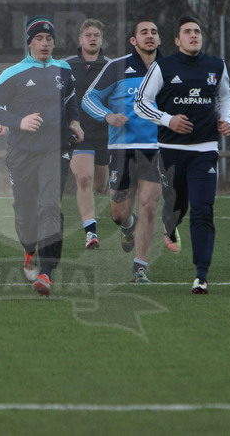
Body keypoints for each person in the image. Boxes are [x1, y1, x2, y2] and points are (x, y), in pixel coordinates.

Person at [0, 15, 83, 297]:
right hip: (22, 152)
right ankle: (29, 250)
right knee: (26, 217)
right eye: (39, 39)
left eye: (49, 39)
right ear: (29, 43)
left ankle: (46, 272)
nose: (44, 43)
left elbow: (70, 98)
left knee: (49, 206)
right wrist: (19, 121)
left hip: (56, 149)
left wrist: (74, 121)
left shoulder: (63, 70)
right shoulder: (13, 73)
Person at [135, 15, 230, 294]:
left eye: (197, 31)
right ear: (177, 40)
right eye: (187, 32)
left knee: (203, 210)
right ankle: (171, 226)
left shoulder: (216, 66)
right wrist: (168, 120)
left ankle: (201, 275)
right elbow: (141, 103)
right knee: (176, 208)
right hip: (171, 150)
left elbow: (226, 96)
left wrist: (226, 119)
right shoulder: (163, 66)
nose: (194, 35)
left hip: (205, 149)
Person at [82, 20, 163, 283]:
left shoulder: (170, 69)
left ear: (160, 39)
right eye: (144, 32)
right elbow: (88, 98)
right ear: (133, 40)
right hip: (121, 150)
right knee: (119, 214)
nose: (149, 36)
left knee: (149, 204)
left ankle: (139, 267)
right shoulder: (117, 67)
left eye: (154, 32)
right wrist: (108, 116)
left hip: (155, 150)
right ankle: (128, 226)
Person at [64, 19, 110, 250]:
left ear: (102, 40)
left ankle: (126, 220)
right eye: (88, 35)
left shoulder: (112, 66)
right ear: (80, 39)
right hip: (79, 135)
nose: (93, 38)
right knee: (83, 179)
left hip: (106, 135)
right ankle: (90, 233)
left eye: (97, 35)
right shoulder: (66, 66)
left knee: (100, 186)